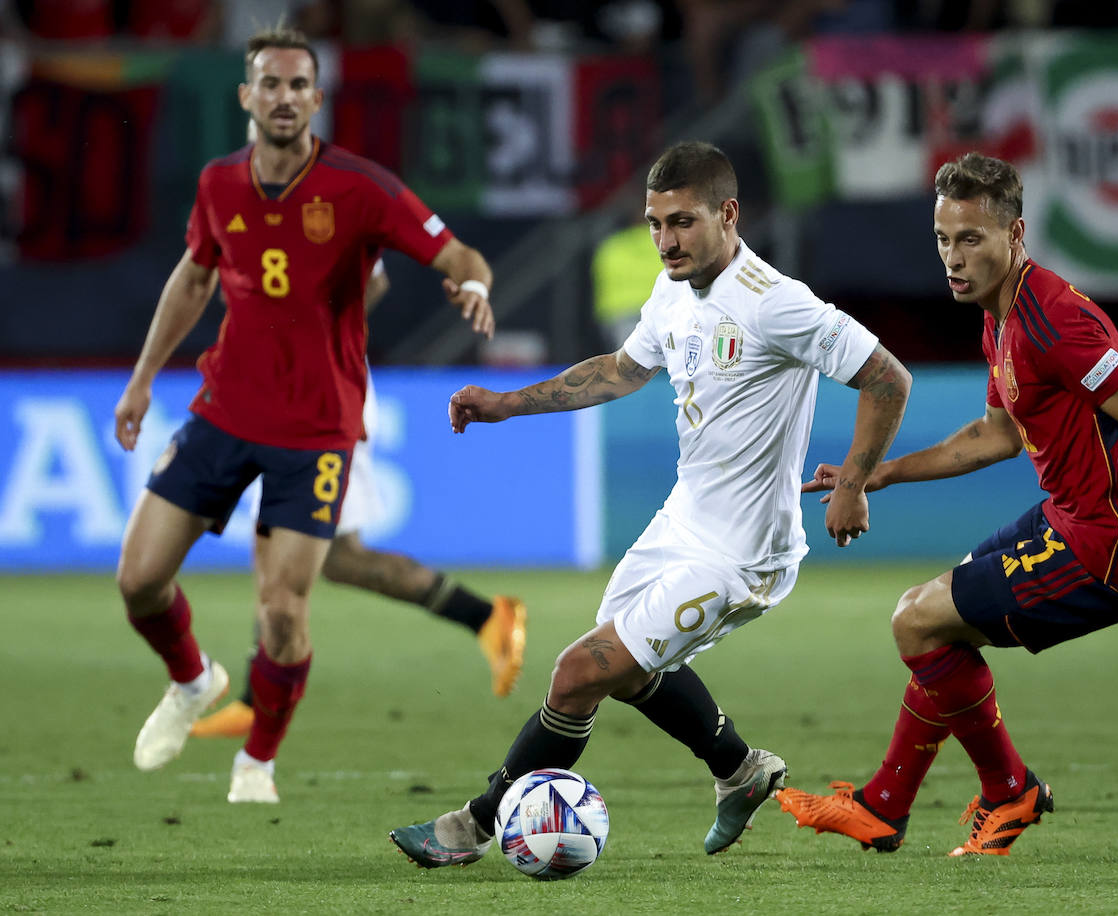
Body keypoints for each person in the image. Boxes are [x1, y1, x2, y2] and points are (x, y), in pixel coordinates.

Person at [388, 140, 911, 867]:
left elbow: (888, 378)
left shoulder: (777, 304)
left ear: (727, 214)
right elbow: (618, 371)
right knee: (625, 671)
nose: (665, 241)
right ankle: (739, 769)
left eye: (682, 222)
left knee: (578, 674)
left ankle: (471, 826)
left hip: (742, 555)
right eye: (655, 223)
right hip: (681, 524)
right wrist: (507, 404)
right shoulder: (673, 290)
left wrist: (853, 483)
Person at [775, 152, 1118, 857]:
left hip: (1109, 543)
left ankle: (976, 794)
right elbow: (997, 435)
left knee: (915, 621)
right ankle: (893, 804)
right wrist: (879, 474)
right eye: (944, 240)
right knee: (936, 621)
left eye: (971, 239)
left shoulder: (1056, 320)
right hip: (1071, 517)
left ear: (1015, 235)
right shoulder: (1000, 315)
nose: (953, 257)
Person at [113, 25, 497, 805]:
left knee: (282, 610)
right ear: (246, 96)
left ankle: (256, 761)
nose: (283, 97)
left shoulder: (362, 188)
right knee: (139, 580)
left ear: (317, 99)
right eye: (270, 83)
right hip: (223, 411)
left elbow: (458, 255)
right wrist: (142, 378)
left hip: (317, 429)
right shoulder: (219, 183)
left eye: (298, 85)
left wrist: (475, 288)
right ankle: (193, 680)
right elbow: (193, 280)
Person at [190, 258, 526, 740]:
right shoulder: (252, 196)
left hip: (327, 387)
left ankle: (256, 703)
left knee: (283, 542)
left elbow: (374, 278)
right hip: (286, 381)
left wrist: (314, 338)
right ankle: (486, 616)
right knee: (339, 558)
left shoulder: (326, 190)